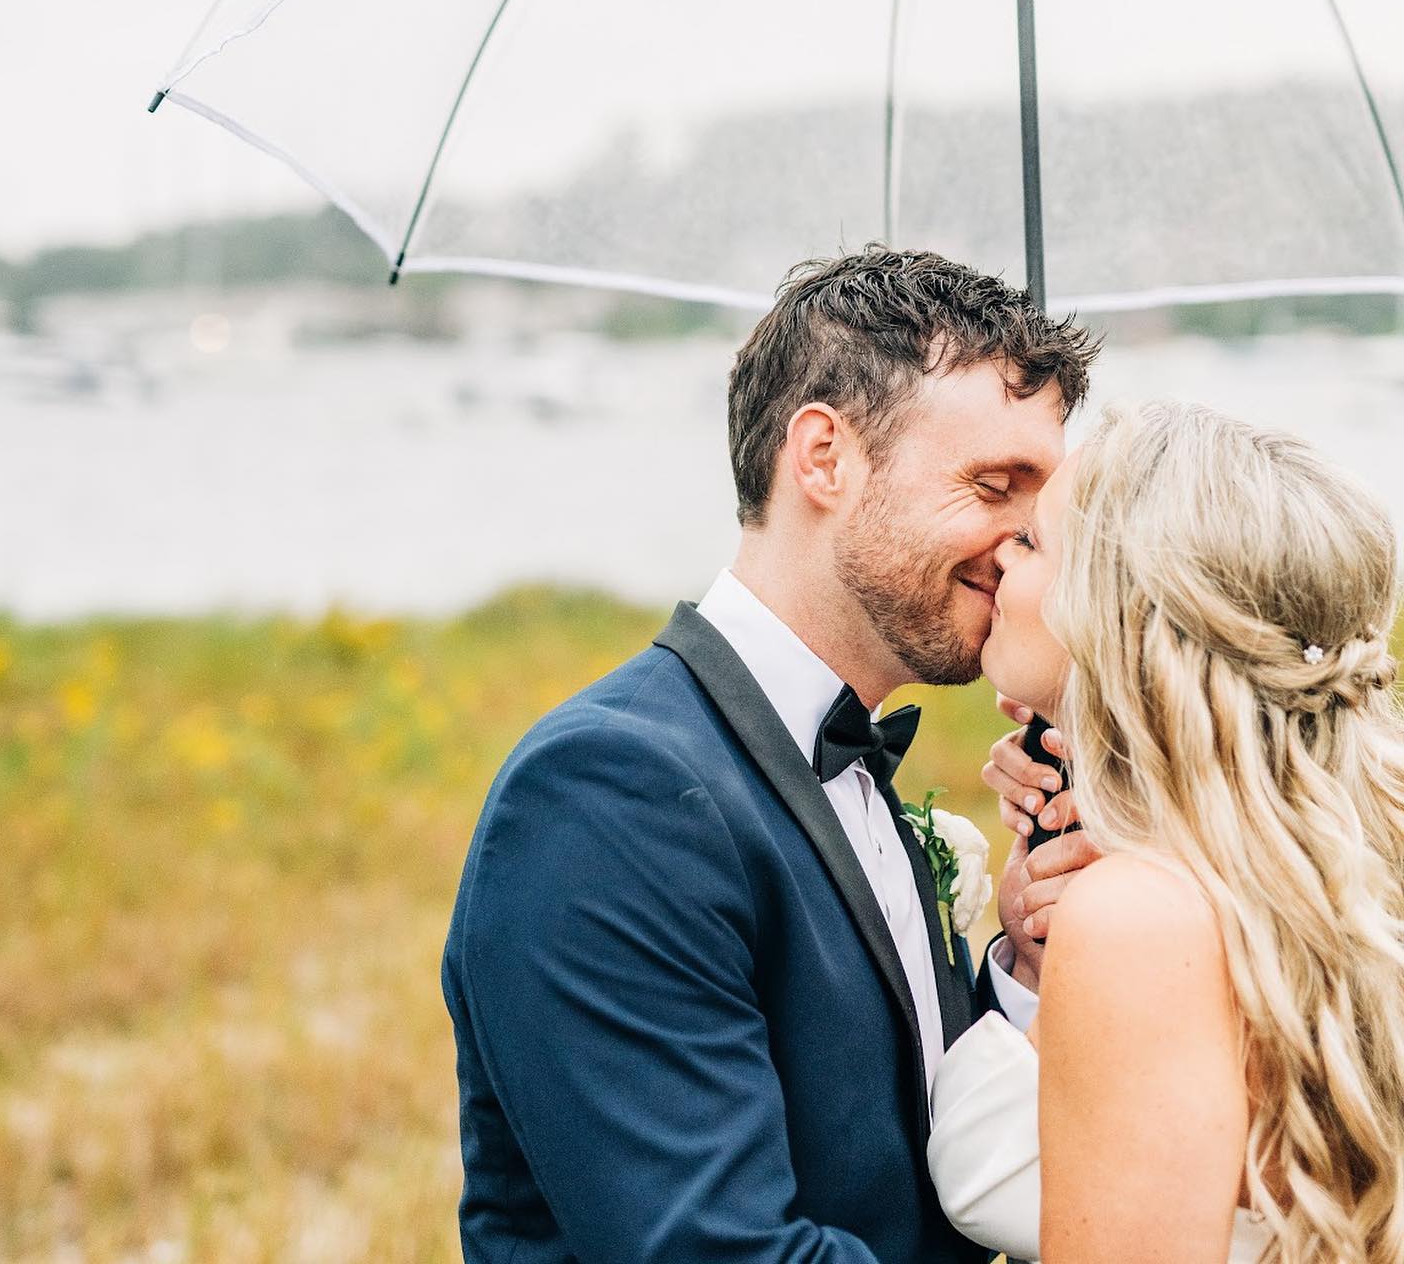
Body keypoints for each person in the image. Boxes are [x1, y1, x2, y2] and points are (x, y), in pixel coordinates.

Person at [443, 247, 1100, 1262]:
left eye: (1044, 510)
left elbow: (904, 1143)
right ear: (824, 457)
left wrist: (1023, 960)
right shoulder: (607, 795)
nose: (1023, 547)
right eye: (994, 485)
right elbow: (717, 1247)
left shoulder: (846, 764)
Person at [928, 400, 1404, 1263]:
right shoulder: (1321, 868)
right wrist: (1038, 934)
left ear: (1121, 617)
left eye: (1032, 542)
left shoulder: (1142, 920)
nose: (997, 549)